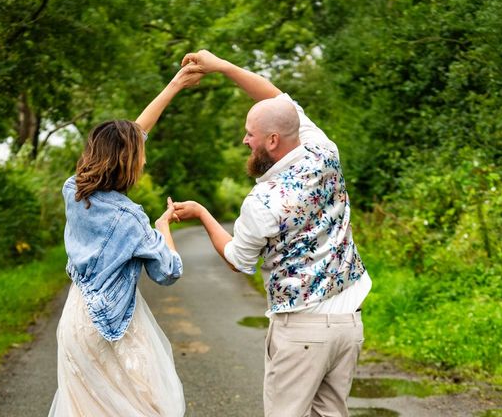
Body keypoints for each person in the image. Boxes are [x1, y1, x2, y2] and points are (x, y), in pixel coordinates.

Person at [172, 50, 371, 417]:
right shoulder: (324, 151)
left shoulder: (262, 201)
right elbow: (277, 100)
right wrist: (224, 66)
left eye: (250, 135)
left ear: (273, 140)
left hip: (301, 332)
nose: (245, 140)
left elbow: (237, 260)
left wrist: (201, 213)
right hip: (349, 324)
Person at [48, 63, 202, 417]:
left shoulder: (73, 192)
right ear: (129, 163)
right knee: (148, 406)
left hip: (75, 322)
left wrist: (175, 85)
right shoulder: (131, 219)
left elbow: (134, 133)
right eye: (140, 155)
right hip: (112, 329)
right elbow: (169, 271)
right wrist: (164, 226)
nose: (144, 158)